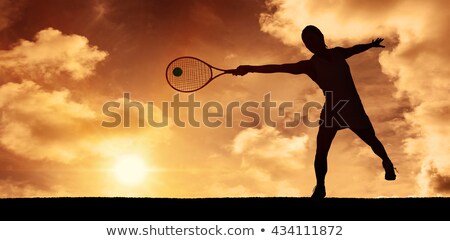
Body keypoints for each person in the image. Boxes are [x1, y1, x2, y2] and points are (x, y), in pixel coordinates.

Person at [233, 25, 397, 199]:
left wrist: (370, 45)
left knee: (372, 141)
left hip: (353, 108)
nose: (310, 43)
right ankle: (320, 186)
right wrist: (250, 68)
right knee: (321, 150)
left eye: (312, 39)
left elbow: (354, 49)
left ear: (321, 38)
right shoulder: (310, 65)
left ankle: (387, 161)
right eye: (306, 42)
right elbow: (280, 67)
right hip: (333, 110)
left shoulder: (338, 53)